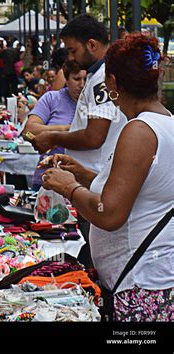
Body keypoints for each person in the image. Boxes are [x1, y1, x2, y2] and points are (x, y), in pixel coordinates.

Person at [40, 33, 173, 322]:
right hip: (149, 278)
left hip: (141, 284)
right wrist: (83, 174)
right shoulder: (165, 123)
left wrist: (69, 187)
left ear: (112, 81)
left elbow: (110, 213)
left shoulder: (140, 131)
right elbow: (134, 190)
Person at [31, 15, 128, 267]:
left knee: (98, 255)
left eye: (73, 50)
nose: (70, 58)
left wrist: (52, 136)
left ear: (92, 45)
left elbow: (95, 135)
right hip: (93, 178)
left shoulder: (103, 79)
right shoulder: (98, 76)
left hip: (97, 181)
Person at [23, 60, 87, 191]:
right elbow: (29, 131)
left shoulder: (98, 104)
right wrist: (68, 129)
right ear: (66, 79)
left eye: (86, 79)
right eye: (76, 79)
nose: (82, 84)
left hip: (82, 183)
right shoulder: (52, 99)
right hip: (48, 179)